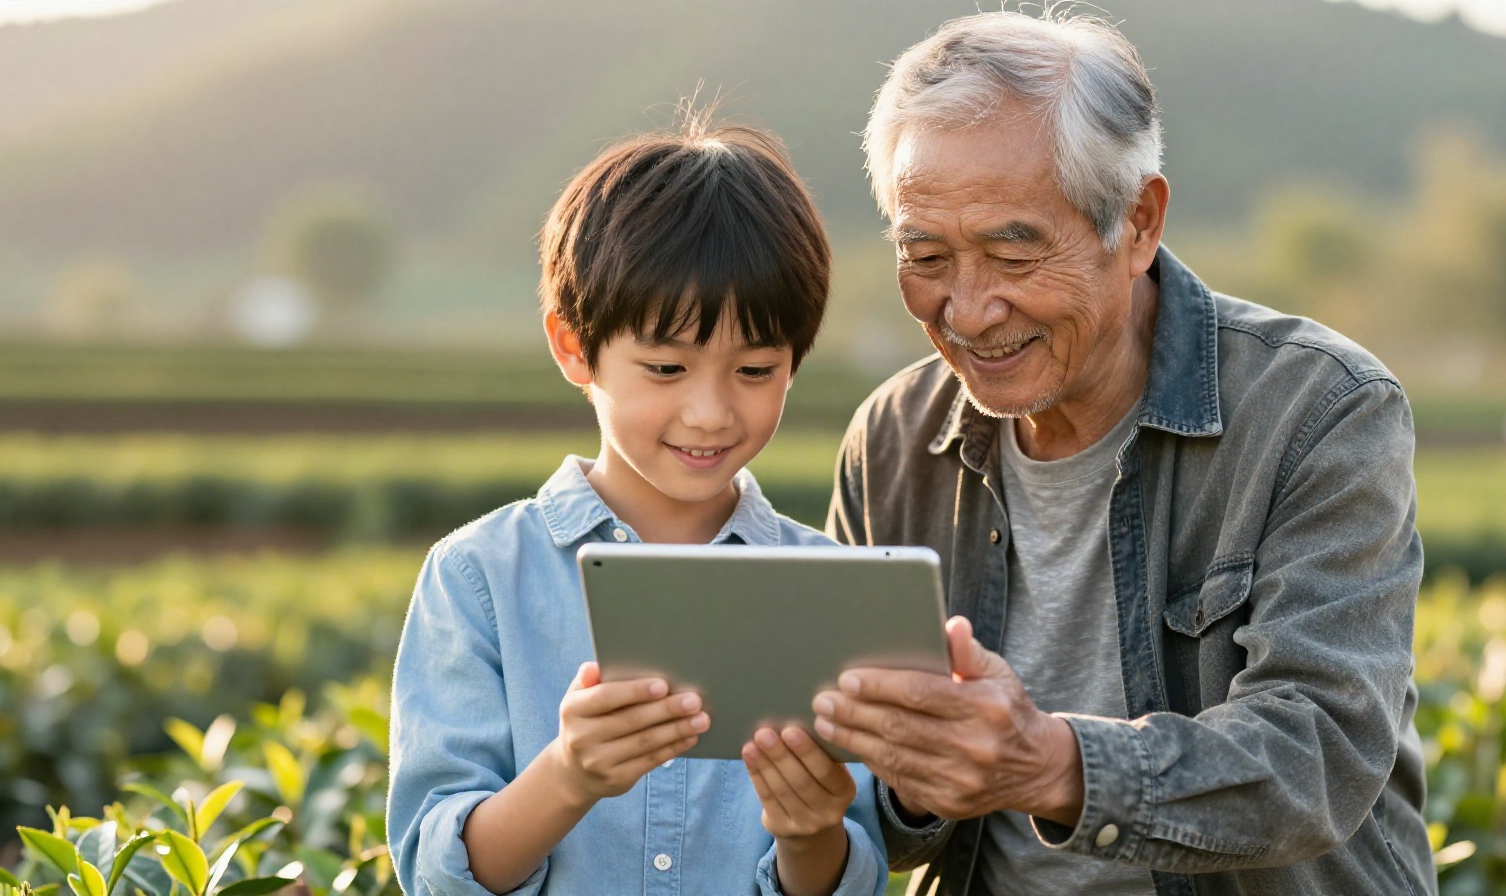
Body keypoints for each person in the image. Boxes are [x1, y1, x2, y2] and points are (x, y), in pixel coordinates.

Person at [810, 11, 1436, 896]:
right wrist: (900, 776)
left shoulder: (1321, 410)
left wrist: (1052, 764)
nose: (970, 308)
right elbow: (873, 813)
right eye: (927, 256)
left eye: (1012, 252)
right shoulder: (893, 440)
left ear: (1138, 223)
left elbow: (1320, 756)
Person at [386, 119, 887, 896]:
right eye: (666, 367)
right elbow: (435, 875)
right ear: (573, 347)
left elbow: (848, 875)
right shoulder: (479, 577)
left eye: (756, 369)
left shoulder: (824, 589)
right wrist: (569, 774)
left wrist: (809, 830)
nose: (711, 412)